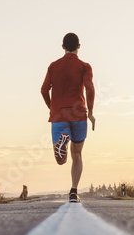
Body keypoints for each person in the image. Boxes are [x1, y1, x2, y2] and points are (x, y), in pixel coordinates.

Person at [40, 33, 95, 203]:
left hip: (59, 115)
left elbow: (43, 90)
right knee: (77, 155)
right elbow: (90, 89)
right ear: (79, 46)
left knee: (60, 160)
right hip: (78, 114)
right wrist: (91, 113)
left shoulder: (53, 66)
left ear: (62, 46)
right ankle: (73, 192)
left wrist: (52, 108)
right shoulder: (84, 66)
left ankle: (62, 143)